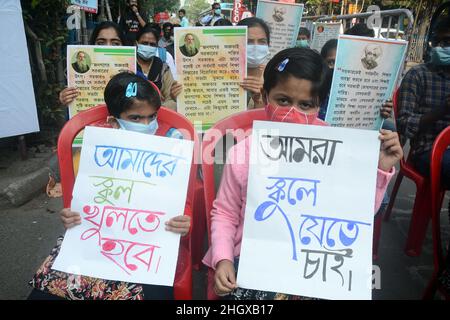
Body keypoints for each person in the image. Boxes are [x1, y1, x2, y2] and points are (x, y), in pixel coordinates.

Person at [202, 47, 403, 299]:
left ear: (319, 106)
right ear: (265, 97)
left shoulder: (337, 150)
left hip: (316, 265)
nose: (292, 113)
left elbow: (354, 217)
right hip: (253, 261)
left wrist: (380, 169)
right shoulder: (244, 154)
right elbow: (225, 213)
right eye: (283, 100)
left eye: (305, 105)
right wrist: (223, 259)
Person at [28, 72, 191, 300]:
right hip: (94, 245)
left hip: (149, 251)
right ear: (114, 122)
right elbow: (82, 201)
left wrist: (185, 219)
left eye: (152, 117)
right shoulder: (97, 150)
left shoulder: (173, 145)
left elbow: (185, 200)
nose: (147, 125)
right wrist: (70, 215)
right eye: (135, 118)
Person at [59, 21, 127, 106]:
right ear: (92, 44)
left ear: (124, 45)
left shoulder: (135, 75)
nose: (108, 47)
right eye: (101, 43)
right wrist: (66, 97)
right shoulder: (80, 75)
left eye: (115, 43)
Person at [135, 25, 181, 110]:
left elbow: (171, 99)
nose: (148, 47)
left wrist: (155, 110)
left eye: (152, 44)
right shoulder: (129, 65)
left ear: (156, 46)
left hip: (158, 115)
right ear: (137, 43)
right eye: (144, 43)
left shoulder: (163, 68)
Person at [237, 17, 271, 109]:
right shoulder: (226, 75)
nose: (256, 46)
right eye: (249, 42)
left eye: (262, 42)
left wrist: (260, 99)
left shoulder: (275, 78)